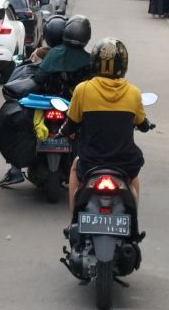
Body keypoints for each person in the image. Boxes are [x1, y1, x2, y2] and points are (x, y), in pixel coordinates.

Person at [59, 38, 153, 215]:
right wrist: (146, 126)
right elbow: (142, 122)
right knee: (133, 179)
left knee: (73, 170)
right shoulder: (133, 92)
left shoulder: (83, 89)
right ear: (123, 65)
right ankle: (133, 223)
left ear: (94, 63)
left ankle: (73, 220)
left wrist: (62, 132)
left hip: (91, 160)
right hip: (124, 161)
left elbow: (71, 124)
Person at [0, 16, 91, 188]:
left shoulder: (50, 54)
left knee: (20, 119)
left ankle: (15, 169)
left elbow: (39, 79)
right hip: (72, 108)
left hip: (46, 104)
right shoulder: (89, 58)